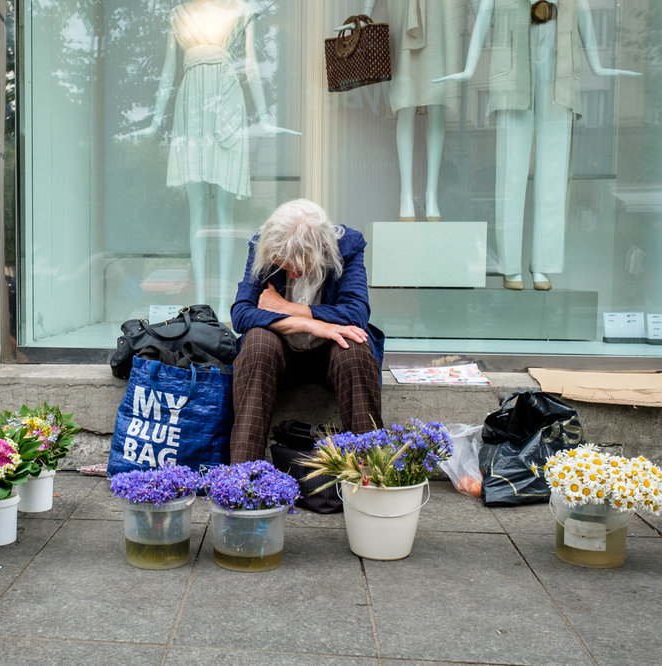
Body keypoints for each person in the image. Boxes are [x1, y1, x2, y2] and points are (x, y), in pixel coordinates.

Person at [436, 0, 640, 290]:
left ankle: (542, 264)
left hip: (559, 79)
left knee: (554, 176)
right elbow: (483, 13)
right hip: (513, 77)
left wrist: (600, 67)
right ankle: (511, 266)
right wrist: (469, 70)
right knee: (511, 174)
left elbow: (583, 17)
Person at [119, 0, 298, 318]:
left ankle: (226, 301)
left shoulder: (241, 12)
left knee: (224, 214)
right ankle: (200, 303)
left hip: (226, 100)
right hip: (192, 106)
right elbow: (166, 72)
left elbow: (252, 65)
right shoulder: (178, 15)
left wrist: (264, 117)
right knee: (198, 214)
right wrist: (153, 122)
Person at [229, 199, 385, 463]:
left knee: (354, 346)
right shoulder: (264, 246)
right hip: (278, 356)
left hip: (330, 357)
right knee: (257, 342)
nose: (291, 271)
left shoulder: (347, 246)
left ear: (320, 248)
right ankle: (243, 475)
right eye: (284, 264)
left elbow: (356, 312)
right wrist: (312, 324)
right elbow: (241, 314)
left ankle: (371, 468)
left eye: (298, 264)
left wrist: (284, 307)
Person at [350, 0, 464, 221]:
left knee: (438, 102)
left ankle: (432, 195)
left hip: (443, 11)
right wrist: (365, 13)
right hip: (404, 10)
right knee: (405, 102)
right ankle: (406, 194)